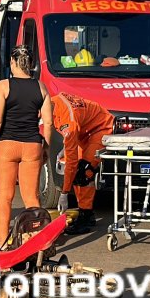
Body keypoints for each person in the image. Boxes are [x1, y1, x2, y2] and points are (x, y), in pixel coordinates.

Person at [0, 44, 54, 249]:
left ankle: (3, 245)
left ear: (13, 62)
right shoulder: (41, 87)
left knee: (5, 198)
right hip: (32, 145)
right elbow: (48, 123)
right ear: (30, 64)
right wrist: (46, 148)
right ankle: (37, 243)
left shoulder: (4, 86)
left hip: (7, 145)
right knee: (32, 198)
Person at [50, 92, 115, 234]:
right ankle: (84, 211)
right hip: (85, 131)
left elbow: (71, 163)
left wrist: (64, 193)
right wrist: (66, 146)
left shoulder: (68, 120)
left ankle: (86, 215)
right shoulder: (53, 102)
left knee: (84, 171)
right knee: (78, 170)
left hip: (101, 128)